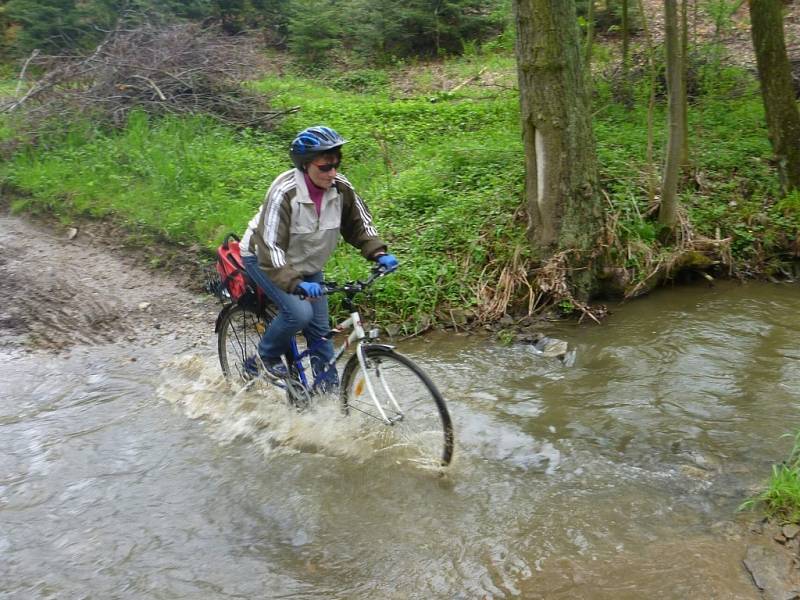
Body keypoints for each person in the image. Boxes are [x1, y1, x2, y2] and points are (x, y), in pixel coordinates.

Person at [239, 125, 398, 382]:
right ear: (305, 165)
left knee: (321, 333)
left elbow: (360, 225)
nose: (332, 173)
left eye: (335, 165)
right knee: (299, 314)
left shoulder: (341, 188)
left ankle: (326, 398)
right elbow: (269, 246)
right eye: (324, 167)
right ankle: (265, 357)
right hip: (265, 258)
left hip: (308, 264)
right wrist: (296, 284)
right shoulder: (284, 191)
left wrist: (378, 253)